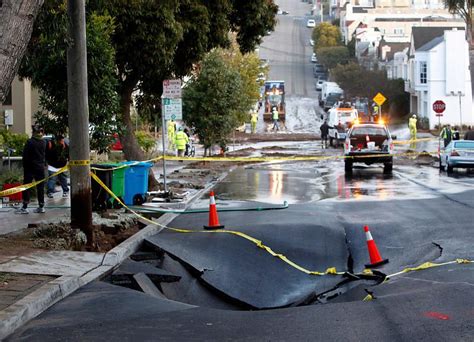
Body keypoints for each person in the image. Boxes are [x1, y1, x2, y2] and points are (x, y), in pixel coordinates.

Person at [16, 125, 47, 214]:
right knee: (40, 187)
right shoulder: (44, 142)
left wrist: (25, 166)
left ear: (34, 132)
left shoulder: (30, 142)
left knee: (26, 187)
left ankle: (25, 207)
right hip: (40, 168)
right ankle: (41, 206)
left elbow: (25, 156)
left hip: (30, 168)